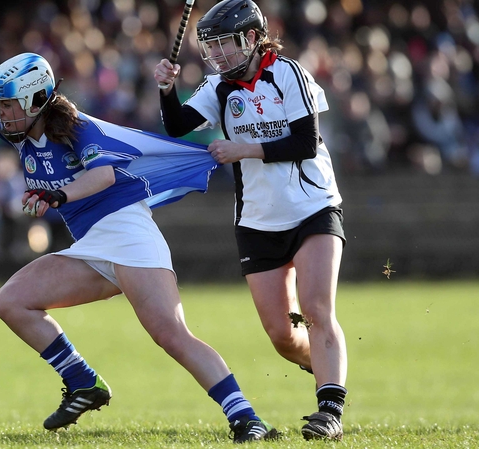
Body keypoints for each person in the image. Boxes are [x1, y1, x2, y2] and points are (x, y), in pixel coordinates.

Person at [0, 52, 278, 443]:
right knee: (11, 302)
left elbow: (102, 176)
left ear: (36, 101)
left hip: (128, 235)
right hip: (91, 245)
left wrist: (57, 197)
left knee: (171, 334)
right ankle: (82, 381)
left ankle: (246, 417)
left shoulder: (75, 127)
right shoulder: (17, 128)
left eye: (6, 103)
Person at [153, 0, 348, 441]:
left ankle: (329, 410)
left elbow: (305, 140)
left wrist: (244, 149)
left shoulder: (289, 74)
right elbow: (178, 126)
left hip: (313, 207)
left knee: (317, 310)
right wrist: (166, 90)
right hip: (258, 220)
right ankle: (326, 370)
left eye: (225, 44)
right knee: (282, 335)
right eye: (211, 46)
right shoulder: (218, 86)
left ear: (252, 38)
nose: (218, 54)